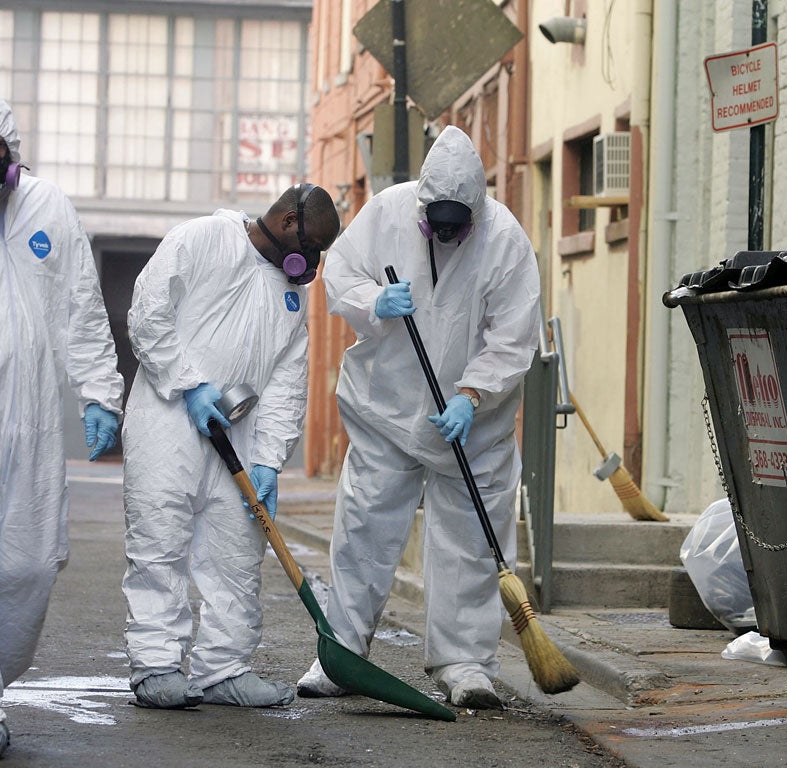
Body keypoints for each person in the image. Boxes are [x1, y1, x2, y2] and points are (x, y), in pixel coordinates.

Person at [296, 125, 541, 709]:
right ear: (423, 206)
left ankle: (465, 664)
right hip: (388, 409)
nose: (449, 235)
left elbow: (512, 337)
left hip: (471, 427)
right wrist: (373, 302)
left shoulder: (505, 240)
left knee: (469, 543)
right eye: (439, 224)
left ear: (477, 212)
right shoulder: (386, 212)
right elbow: (339, 277)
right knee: (364, 532)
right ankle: (341, 655)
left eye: (460, 225)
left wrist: (472, 395)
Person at [121, 182, 340, 709]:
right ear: (288, 222)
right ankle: (155, 664)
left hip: (239, 434)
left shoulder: (291, 294)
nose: (313, 263)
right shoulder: (203, 239)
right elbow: (148, 312)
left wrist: (269, 461)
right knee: (160, 537)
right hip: (170, 418)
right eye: (313, 248)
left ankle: (225, 668)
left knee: (237, 553)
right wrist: (189, 382)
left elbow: (288, 380)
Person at [0, 100, 124, 756]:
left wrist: (101, 392)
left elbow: (82, 303)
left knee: (26, 564)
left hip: (30, 418)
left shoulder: (48, 206)